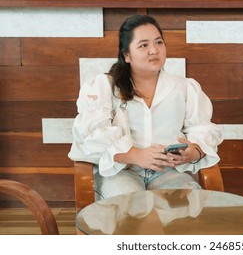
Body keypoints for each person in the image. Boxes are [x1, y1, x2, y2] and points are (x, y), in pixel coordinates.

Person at [68, 15, 223, 200]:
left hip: (168, 172)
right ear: (127, 55)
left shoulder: (185, 87)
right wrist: (136, 155)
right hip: (121, 171)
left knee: (185, 208)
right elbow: (90, 137)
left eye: (159, 43)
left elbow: (202, 128)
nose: (154, 50)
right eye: (144, 45)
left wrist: (194, 151)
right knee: (132, 207)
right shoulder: (104, 86)